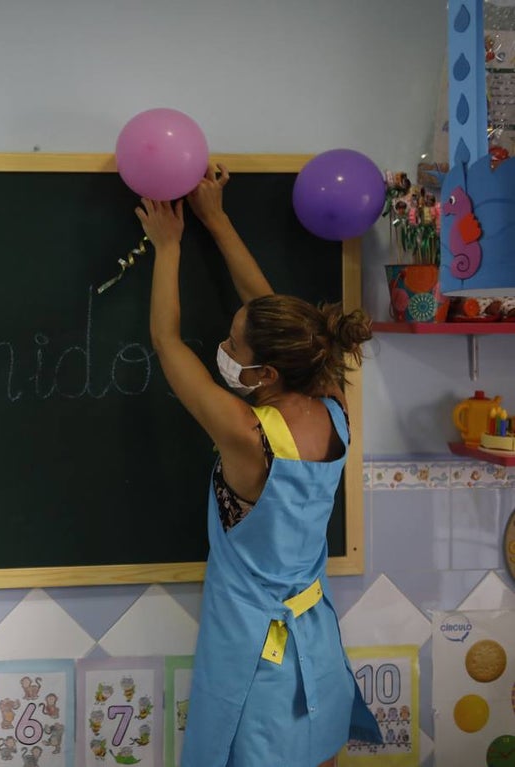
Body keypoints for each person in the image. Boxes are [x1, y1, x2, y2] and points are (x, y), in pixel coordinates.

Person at [137, 164, 381, 767]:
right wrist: (217, 219)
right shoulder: (333, 401)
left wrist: (168, 247)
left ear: (267, 373)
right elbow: (267, 307)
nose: (225, 346)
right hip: (314, 643)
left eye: (234, 344)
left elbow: (167, 341)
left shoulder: (248, 434)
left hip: (257, 658)